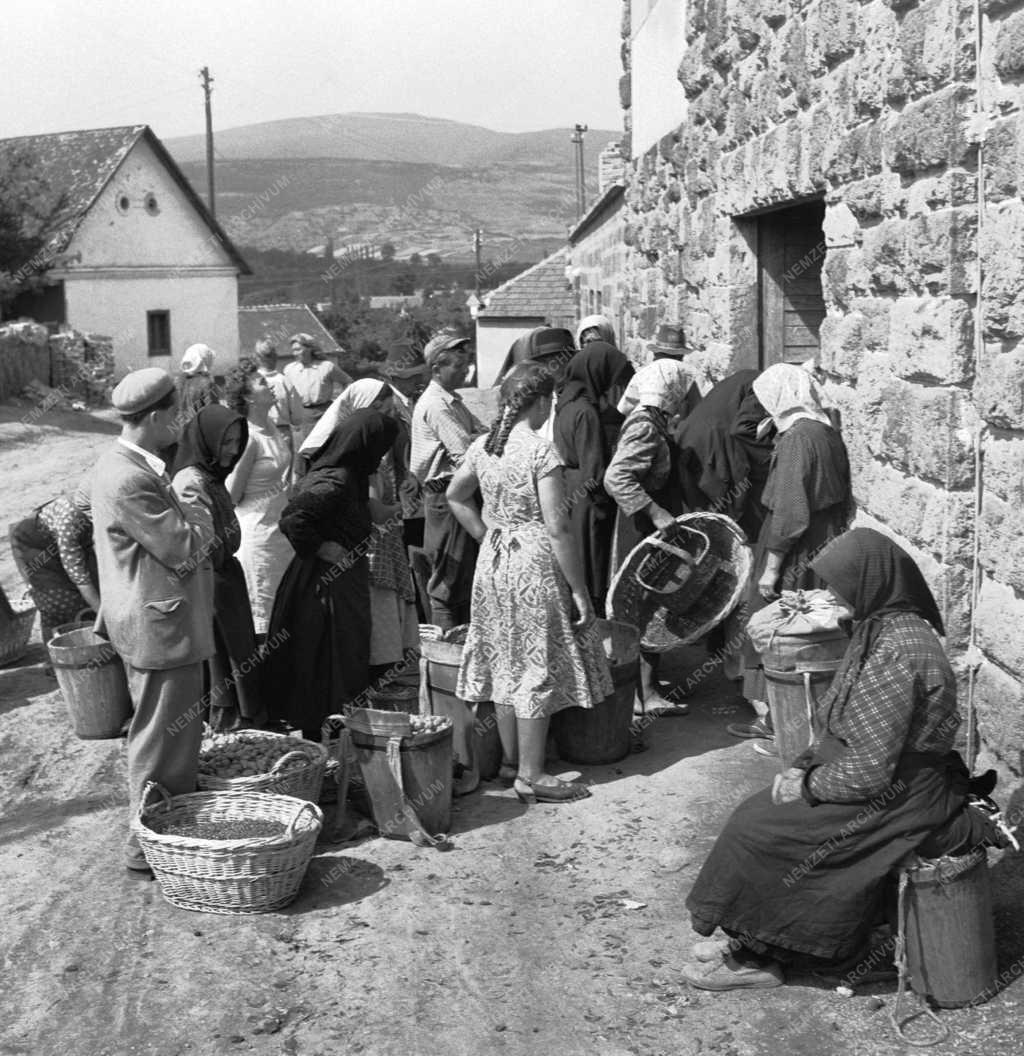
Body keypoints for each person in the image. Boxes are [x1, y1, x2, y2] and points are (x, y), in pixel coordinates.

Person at [683, 528, 1004, 990]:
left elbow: (872, 770)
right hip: (877, 773)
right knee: (762, 816)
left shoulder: (898, 648)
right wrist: (805, 762)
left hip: (903, 789)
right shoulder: (877, 627)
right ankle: (754, 939)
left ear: (870, 583)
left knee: (763, 831)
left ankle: (760, 958)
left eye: (840, 584)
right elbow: (839, 716)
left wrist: (810, 786)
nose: (831, 595)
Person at [448, 362, 612, 803]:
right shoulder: (541, 451)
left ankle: (508, 764)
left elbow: (455, 496)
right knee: (536, 665)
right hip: (533, 563)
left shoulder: (484, 446)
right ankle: (533, 774)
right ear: (541, 403)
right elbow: (558, 528)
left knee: (505, 662)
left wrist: (488, 533)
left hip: (494, 564)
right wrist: (580, 591)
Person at [90, 368, 215, 873]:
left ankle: (170, 828)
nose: (180, 425)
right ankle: (146, 842)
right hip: (159, 624)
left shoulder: (122, 464)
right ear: (158, 415)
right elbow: (187, 549)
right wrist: (193, 497)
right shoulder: (131, 477)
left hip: (150, 617)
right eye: (176, 414)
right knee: (160, 734)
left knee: (171, 732)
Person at [735, 363, 853, 751]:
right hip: (824, 539)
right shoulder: (825, 431)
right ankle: (804, 720)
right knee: (812, 628)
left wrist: (770, 569)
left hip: (797, 545)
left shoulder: (798, 439)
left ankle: (779, 723)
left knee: (779, 626)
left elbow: (790, 511)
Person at [265, 409, 399, 738]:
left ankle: (337, 738)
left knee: (345, 659)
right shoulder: (336, 479)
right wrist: (325, 548)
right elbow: (293, 519)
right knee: (328, 661)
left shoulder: (351, 477)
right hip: (325, 585)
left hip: (342, 581)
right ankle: (326, 741)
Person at [300, 379, 418, 683]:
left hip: (372, 548)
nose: (387, 412)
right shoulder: (347, 464)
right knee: (365, 631)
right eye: (380, 407)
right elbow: (371, 509)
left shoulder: (367, 452)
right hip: (362, 553)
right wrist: (402, 508)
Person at [605, 359, 697, 716]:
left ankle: (646, 691)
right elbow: (617, 478)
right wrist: (656, 512)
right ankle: (642, 695)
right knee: (643, 605)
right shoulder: (645, 427)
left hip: (647, 527)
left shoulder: (653, 423)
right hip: (644, 529)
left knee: (649, 603)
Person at [173, 404, 263, 731]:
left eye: (238, 442)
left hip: (227, 578)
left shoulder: (212, 476)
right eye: (226, 442)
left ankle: (245, 722)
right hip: (210, 583)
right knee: (221, 659)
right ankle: (226, 728)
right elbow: (199, 544)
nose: (233, 450)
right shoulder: (191, 481)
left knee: (239, 654)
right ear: (207, 440)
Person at [410, 333, 486, 630]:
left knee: (463, 577)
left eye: (465, 364)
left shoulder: (453, 401)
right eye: (457, 366)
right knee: (448, 582)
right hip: (447, 496)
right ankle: (446, 651)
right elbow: (465, 452)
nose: (464, 371)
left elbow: (480, 432)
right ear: (436, 368)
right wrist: (480, 439)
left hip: (455, 493)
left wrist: (480, 437)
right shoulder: (438, 405)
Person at [552, 344, 635, 617]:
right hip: (587, 502)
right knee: (592, 574)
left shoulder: (566, 403)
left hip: (568, 493)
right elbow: (595, 472)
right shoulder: (586, 413)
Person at [223, 360, 293, 638]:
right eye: (262, 382)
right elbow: (231, 495)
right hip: (257, 535)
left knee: (284, 609)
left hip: (280, 531)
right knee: (263, 614)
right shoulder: (248, 439)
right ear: (249, 397)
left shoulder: (273, 426)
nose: (270, 384)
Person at [9, 485, 100, 645]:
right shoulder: (70, 520)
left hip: (69, 541)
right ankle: (59, 659)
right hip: (35, 545)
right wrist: (101, 613)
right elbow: (78, 575)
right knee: (61, 601)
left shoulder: (106, 505)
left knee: (97, 588)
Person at [282, 332, 352, 447]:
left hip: (324, 413)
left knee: (326, 447)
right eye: (293, 350)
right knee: (303, 450)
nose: (295, 353)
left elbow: (348, 382)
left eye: (298, 349)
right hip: (301, 415)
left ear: (309, 349)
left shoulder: (326, 367)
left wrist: (341, 403)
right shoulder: (289, 370)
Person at [254, 338, 303, 479]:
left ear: (257, 357)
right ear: (275, 357)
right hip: (281, 432)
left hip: (256, 432)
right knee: (283, 477)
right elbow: (297, 416)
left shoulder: (251, 381)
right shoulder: (284, 380)